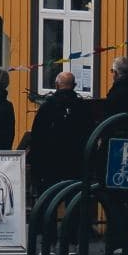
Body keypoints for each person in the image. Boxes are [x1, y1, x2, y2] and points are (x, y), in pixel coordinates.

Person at [23, 68, 92, 201]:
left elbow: (37, 136)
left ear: (56, 86)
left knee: (48, 200)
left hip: (50, 162)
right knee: (73, 200)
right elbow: (89, 132)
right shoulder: (82, 107)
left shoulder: (47, 107)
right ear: (74, 86)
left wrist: (36, 164)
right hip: (75, 162)